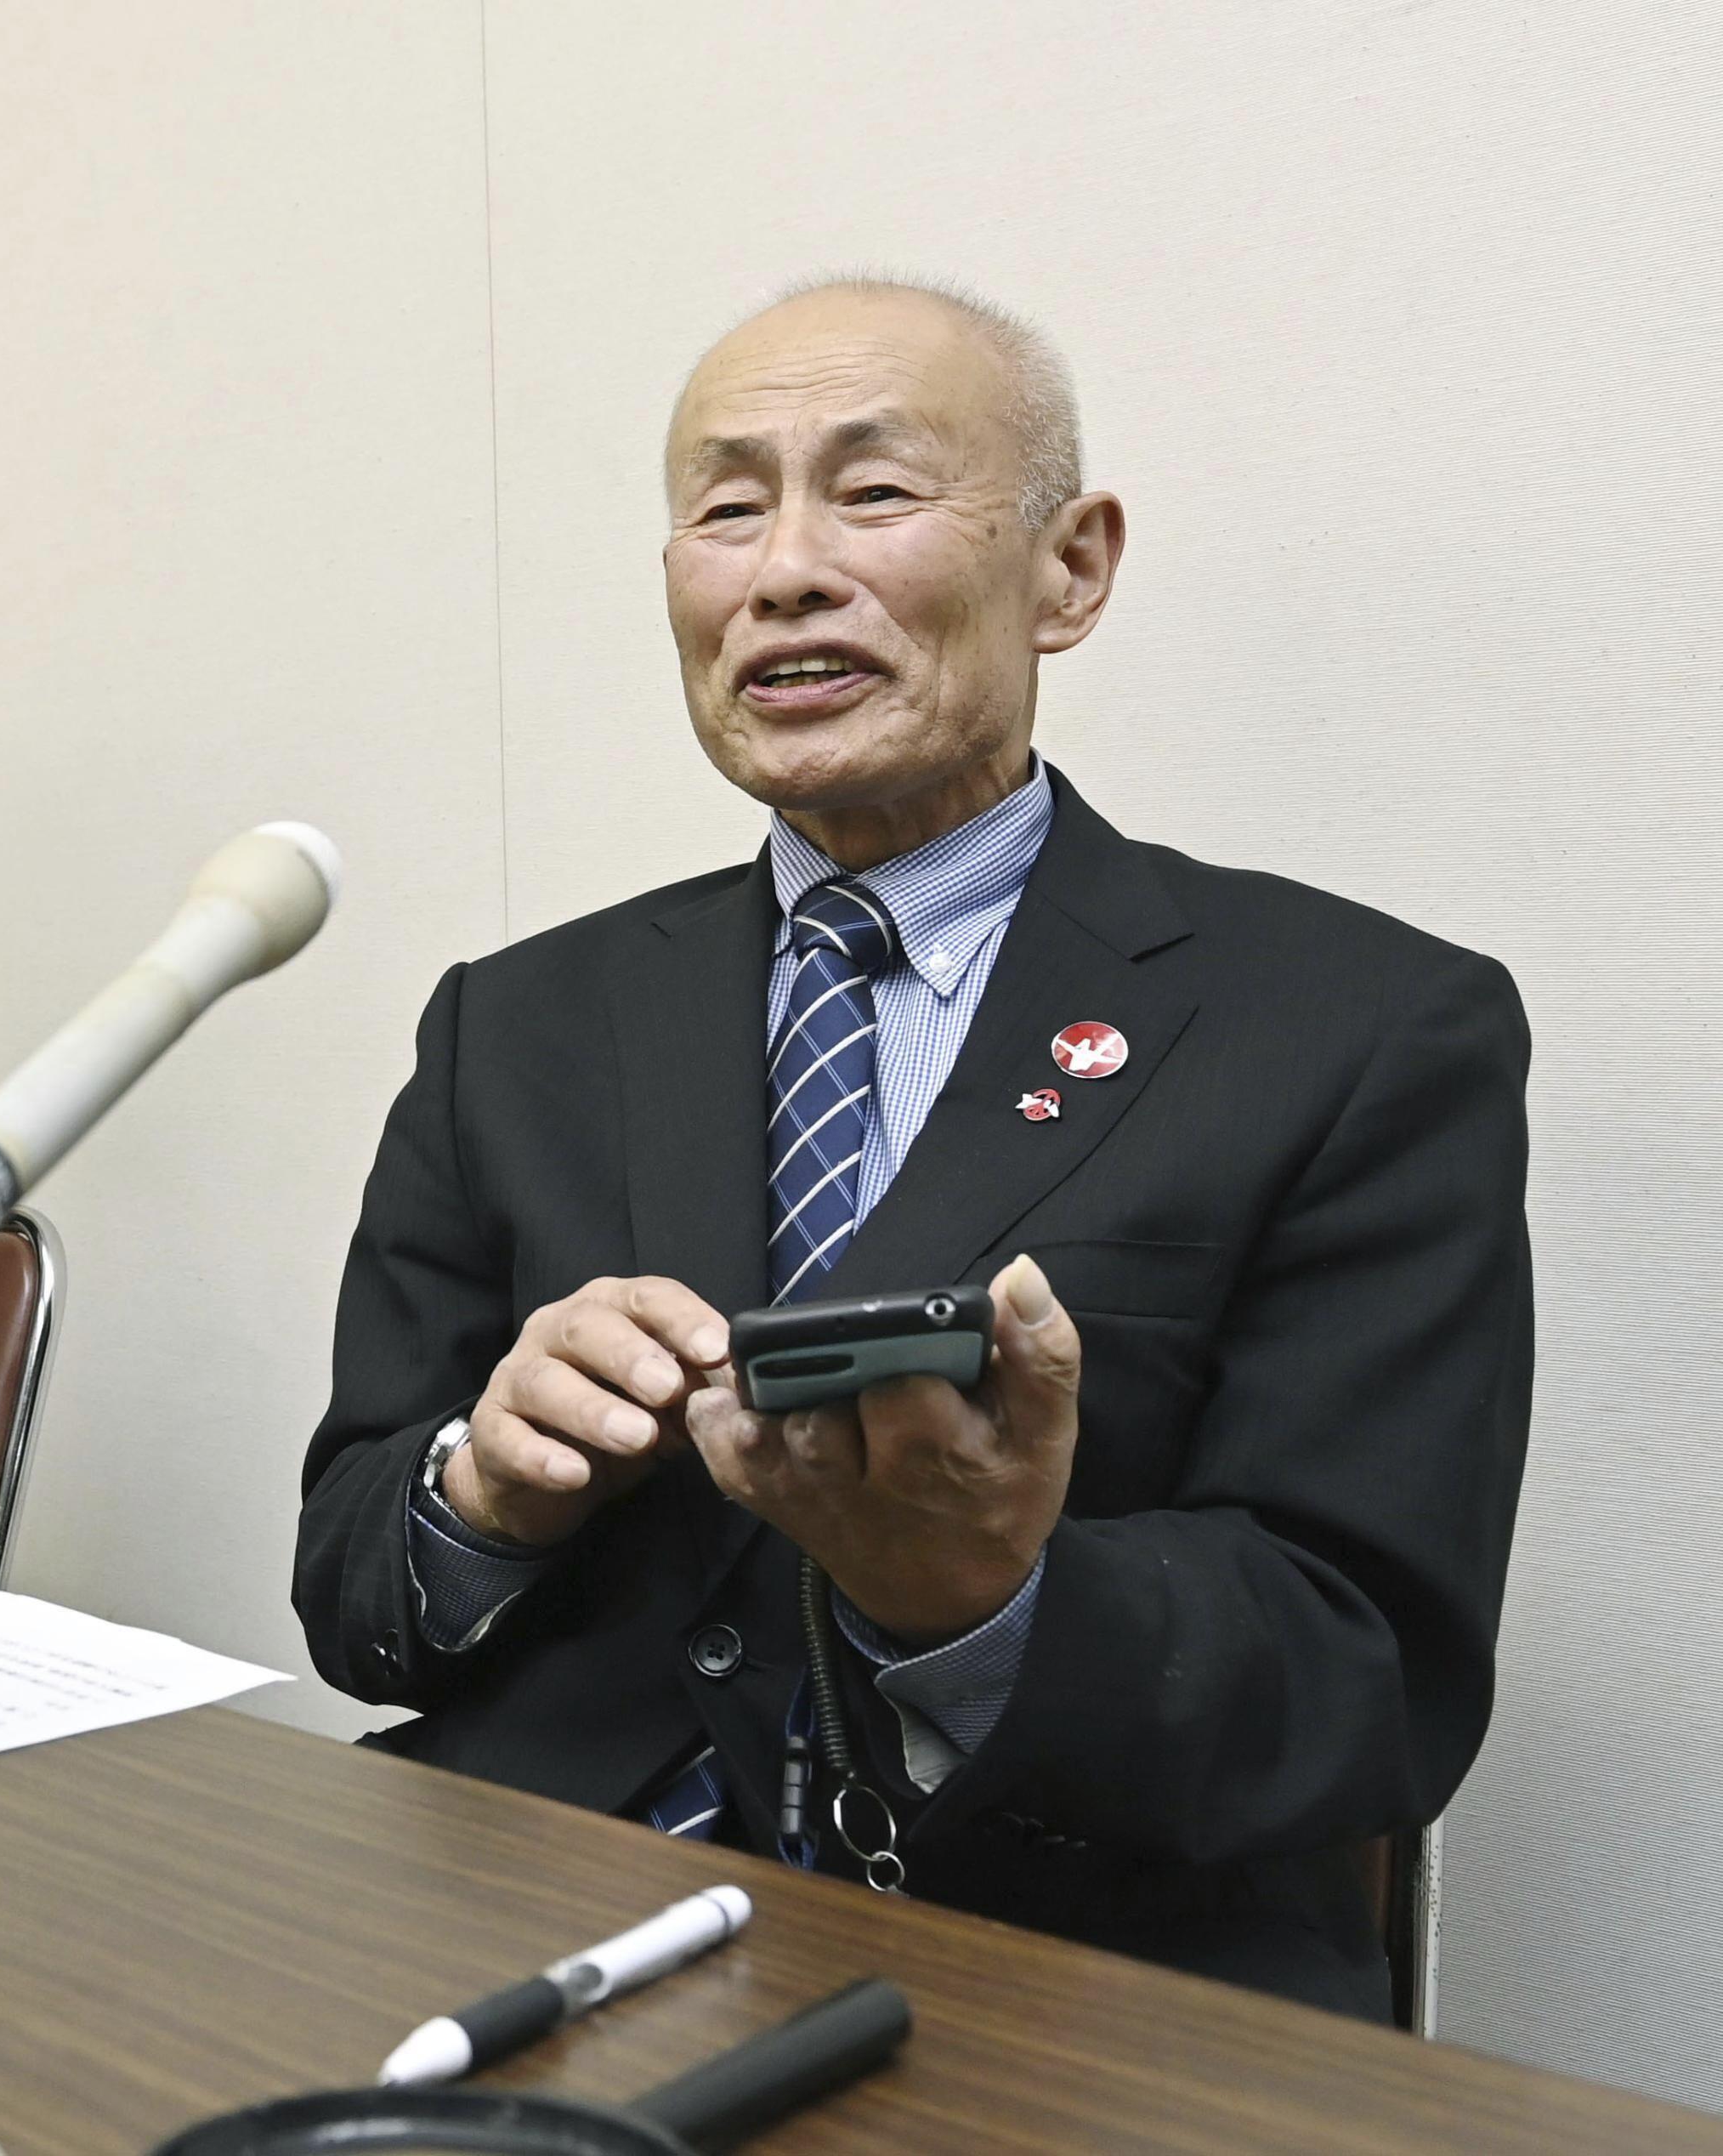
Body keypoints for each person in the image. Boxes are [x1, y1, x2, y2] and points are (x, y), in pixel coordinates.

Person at [292, 280, 1532, 2021]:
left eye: (871, 492)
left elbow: (1368, 1685)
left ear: (1070, 567)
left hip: (1064, 1975)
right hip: (532, 1919)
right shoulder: (519, 1022)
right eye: (726, 505)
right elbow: (353, 1590)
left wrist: (983, 1599)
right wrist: (481, 1493)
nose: (783, 568)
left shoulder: (1356, 1027)